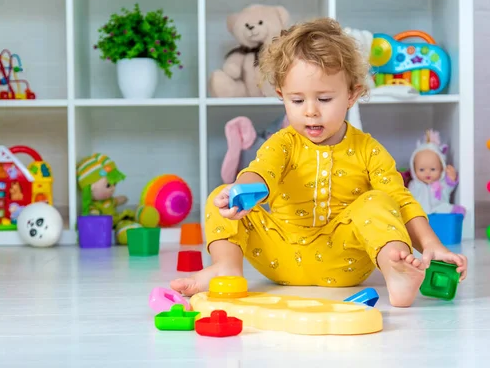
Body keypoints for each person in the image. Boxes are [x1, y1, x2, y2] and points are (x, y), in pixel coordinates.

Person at [171, 17, 468, 307]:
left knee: (380, 199)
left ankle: (397, 272)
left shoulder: (369, 150)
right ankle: (226, 268)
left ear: (352, 94)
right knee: (219, 195)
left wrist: (432, 245)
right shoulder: (283, 143)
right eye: (297, 101)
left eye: (324, 99)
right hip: (280, 255)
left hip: (344, 262)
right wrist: (241, 193)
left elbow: (400, 202)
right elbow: (260, 173)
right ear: (281, 96)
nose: (310, 111)